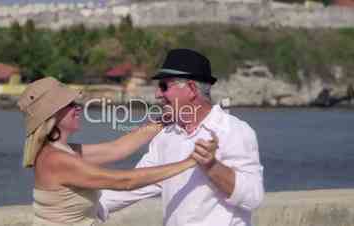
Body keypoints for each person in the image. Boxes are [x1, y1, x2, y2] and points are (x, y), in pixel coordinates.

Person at [17, 77, 218, 226]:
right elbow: (125, 181)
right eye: (70, 105)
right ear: (52, 115)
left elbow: (118, 148)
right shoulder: (55, 160)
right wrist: (190, 161)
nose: (79, 108)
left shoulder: (62, 151)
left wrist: (164, 119)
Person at [98, 49, 265, 226]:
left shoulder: (233, 130)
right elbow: (137, 182)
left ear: (192, 89)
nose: (157, 94)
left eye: (164, 87)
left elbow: (253, 198)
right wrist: (83, 208)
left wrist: (212, 167)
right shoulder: (166, 136)